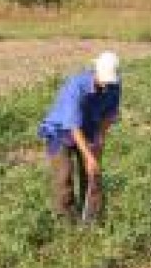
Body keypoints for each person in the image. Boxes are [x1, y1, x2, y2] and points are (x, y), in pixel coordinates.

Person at [37, 51, 122, 222]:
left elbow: (109, 115)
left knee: (92, 174)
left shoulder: (114, 85)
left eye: (109, 80)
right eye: (104, 79)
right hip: (60, 132)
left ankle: (93, 218)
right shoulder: (76, 86)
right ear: (95, 70)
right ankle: (66, 220)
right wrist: (89, 157)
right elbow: (73, 127)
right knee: (64, 175)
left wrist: (99, 141)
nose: (106, 84)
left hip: (89, 129)